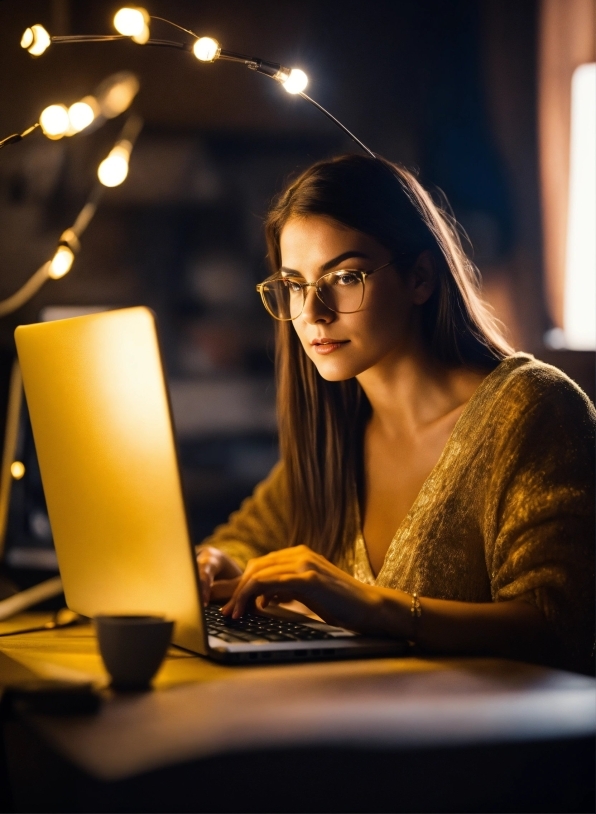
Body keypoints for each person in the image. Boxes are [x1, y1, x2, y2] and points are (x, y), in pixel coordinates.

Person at [196, 154, 595, 674]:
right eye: (294, 284)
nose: (313, 312)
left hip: (491, 748)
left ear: (420, 278)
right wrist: (219, 563)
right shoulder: (337, 429)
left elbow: (558, 627)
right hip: (352, 730)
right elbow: (245, 538)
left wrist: (368, 605)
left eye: (344, 276)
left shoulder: (533, 410)